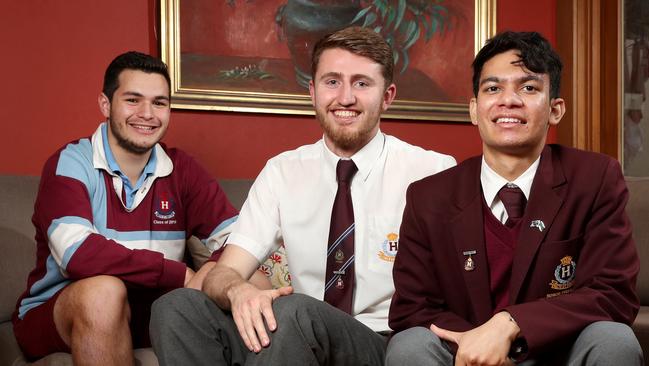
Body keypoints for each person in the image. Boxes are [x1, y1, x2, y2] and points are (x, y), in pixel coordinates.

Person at [149, 26, 456, 365]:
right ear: (312, 92)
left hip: (381, 340)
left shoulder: (432, 170)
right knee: (176, 307)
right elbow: (226, 270)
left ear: (388, 95)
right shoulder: (282, 171)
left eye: (362, 83)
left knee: (292, 312)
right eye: (332, 81)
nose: (345, 98)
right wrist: (240, 291)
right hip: (296, 333)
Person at [386, 31, 643, 365]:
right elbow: (412, 308)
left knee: (614, 340)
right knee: (409, 345)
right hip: (464, 356)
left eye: (529, 88)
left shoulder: (595, 178)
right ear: (475, 110)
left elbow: (612, 294)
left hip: (557, 353)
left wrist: (511, 325)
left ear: (555, 110)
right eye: (493, 88)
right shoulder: (429, 196)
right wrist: (477, 342)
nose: (509, 100)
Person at [11, 51, 268, 365]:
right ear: (106, 105)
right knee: (103, 293)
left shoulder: (182, 169)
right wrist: (177, 273)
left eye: (159, 102)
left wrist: (212, 270)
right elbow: (77, 254)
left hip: (153, 314)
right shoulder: (70, 163)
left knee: (253, 279)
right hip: (62, 312)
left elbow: (242, 238)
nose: (147, 114)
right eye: (133, 100)